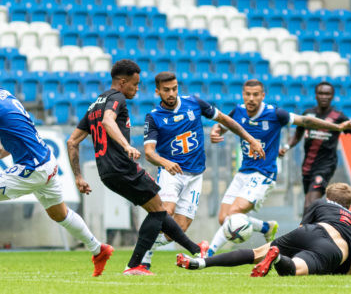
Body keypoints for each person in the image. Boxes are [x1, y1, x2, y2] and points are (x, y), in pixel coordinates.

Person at [67, 60, 211, 276]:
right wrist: (126, 146)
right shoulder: (117, 99)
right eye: (135, 84)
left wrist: (78, 176)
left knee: (158, 210)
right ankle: (136, 264)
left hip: (106, 173)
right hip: (123, 167)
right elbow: (108, 121)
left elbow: (72, 142)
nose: (137, 89)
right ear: (123, 82)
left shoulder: (94, 104)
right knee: (159, 211)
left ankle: (195, 249)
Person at [207, 79, 351, 256]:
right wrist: (215, 131)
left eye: (256, 94)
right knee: (223, 219)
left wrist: (337, 126)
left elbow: (306, 121)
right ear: (243, 95)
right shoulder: (238, 111)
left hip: (264, 174)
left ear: (263, 96)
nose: (251, 98)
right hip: (243, 172)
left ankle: (207, 253)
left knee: (234, 213)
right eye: (248, 94)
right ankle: (266, 227)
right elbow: (224, 125)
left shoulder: (275, 114)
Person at [140, 71, 265, 269]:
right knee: (166, 211)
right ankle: (143, 260)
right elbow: (149, 152)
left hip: (196, 175)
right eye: (166, 90)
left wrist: (250, 140)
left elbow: (225, 120)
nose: (171, 93)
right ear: (157, 91)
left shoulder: (194, 103)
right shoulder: (154, 117)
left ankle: (146, 247)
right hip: (171, 173)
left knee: (180, 228)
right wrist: (164, 162)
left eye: (174, 89)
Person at [0, 88, 113, 277]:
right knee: (60, 214)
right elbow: (13, 139)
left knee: (61, 214)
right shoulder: (6, 95)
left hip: (33, 167)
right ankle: (98, 249)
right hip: (45, 161)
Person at [176, 183, 351, 277]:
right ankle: (278, 257)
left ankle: (201, 262)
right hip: (333, 248)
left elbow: (302, 228)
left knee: (256, 253)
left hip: (311, 231)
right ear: (349, 207)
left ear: (329, 198)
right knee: (294, 268)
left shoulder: (321, 203)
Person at [279, 81, 351, 215]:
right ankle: (318, 229)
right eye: (321, 93)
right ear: (315, 95)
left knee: (309, 204)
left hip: (326, 165)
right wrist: (286, 146)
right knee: (309, 202)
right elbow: (297, 135)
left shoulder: (338, 117)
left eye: (327, 94)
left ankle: (306, 233)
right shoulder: (308, 114)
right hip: (307, 166)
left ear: (332, 96)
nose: (324, 96)